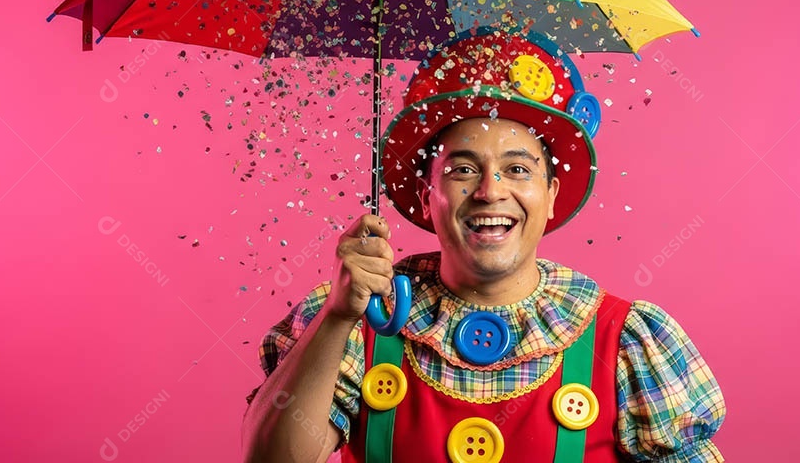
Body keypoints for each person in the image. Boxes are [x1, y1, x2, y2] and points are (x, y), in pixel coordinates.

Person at [242, 30, 726, 463]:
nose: (490, 191)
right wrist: (337, 317)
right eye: (462, 170)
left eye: (517, 169)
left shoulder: (624, 340)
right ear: (425, 194)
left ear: (551, 193)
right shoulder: (359, 321)